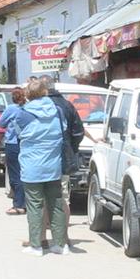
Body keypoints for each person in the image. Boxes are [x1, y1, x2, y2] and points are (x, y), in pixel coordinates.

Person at [14, 79, 68, 256]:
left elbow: (18, 134)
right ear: (45, 92)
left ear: (28, 94)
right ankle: (60, 244)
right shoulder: (57, 111)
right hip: (53, 165)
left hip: (31, 166)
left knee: (35, 206)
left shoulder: (23, 113)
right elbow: (64, 129)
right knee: (56, 204)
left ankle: (36, 245)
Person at [41, 74, 83, 241]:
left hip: (43, 160)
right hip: (63, 159)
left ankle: (42, 238)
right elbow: (78, 132)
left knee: (43, 198)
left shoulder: (38, 106)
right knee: (63, 197)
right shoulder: (67, 105)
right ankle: (64, 237)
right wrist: (71, 149)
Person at [0, 86, 26, 215]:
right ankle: (26, 201)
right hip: (26, 144)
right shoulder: (27, 108)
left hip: (13, 143)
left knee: (15, 174)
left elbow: (0, 123)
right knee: (25, 172)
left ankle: (19, 204)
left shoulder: (11, 109)